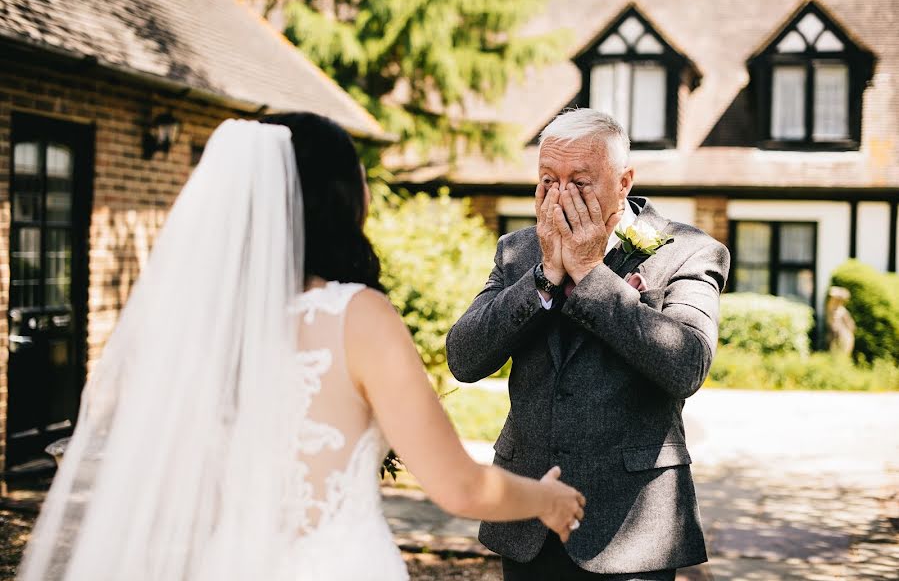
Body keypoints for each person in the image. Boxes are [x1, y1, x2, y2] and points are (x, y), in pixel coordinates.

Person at [16, 113, 585, 581]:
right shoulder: (354, 316)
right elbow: (459, 484)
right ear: (336, 197)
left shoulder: (211, 332)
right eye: (359, 174)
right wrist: (547, 501)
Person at [446, 109, 730, 581]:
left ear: (624, 181)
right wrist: (544, 277)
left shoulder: (689, 250)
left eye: (580, 181)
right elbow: (464, 358)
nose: (561, 196)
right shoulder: (518, 251)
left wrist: (592, 276)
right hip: (527, 519)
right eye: (548, 180)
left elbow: (687, 366)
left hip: (631, 526)